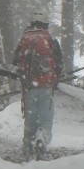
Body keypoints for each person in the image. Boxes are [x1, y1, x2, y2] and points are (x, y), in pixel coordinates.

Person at [12, 14, 63, 160]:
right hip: (46, 87)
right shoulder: (51, 40)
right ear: (45, 24)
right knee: (46, 120)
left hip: (28, 87)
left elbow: (15, 61)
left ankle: (27, 149)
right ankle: (41, 139)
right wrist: (54, 78)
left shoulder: (24, 40)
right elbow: (59, 64)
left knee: (30, 120)